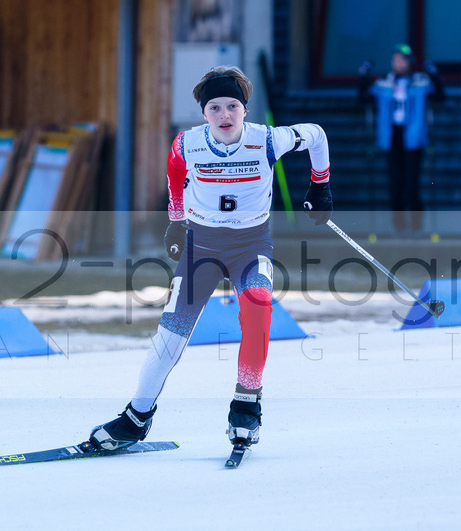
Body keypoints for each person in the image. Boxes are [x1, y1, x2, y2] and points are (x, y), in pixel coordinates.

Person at [88, 65, 332, 451]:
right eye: (214, 107)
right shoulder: (188, 143)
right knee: (170, 335)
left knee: (258, 307)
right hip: (200, 247)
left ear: (245, 109)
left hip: (251, 247)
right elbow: (174, 170)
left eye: (232, 106)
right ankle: (136, 417)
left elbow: (316, 135)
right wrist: (175, 220)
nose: (224, 115)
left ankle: (246, 405)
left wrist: (320, 187)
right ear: (203, 113)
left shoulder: (268, 140)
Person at [359, 43, 445, 235]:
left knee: (411, 184)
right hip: (391, 139)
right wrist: (364, 77)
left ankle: (417, 226)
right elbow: (363, 98)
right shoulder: (384, 83)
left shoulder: (420, 82)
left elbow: (439, 96)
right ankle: (398, 226)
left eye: (402, 60)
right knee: (395, 185)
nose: (398, 63)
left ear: (410, 62)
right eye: (395, 60)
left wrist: (435, 75)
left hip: (414, 140)